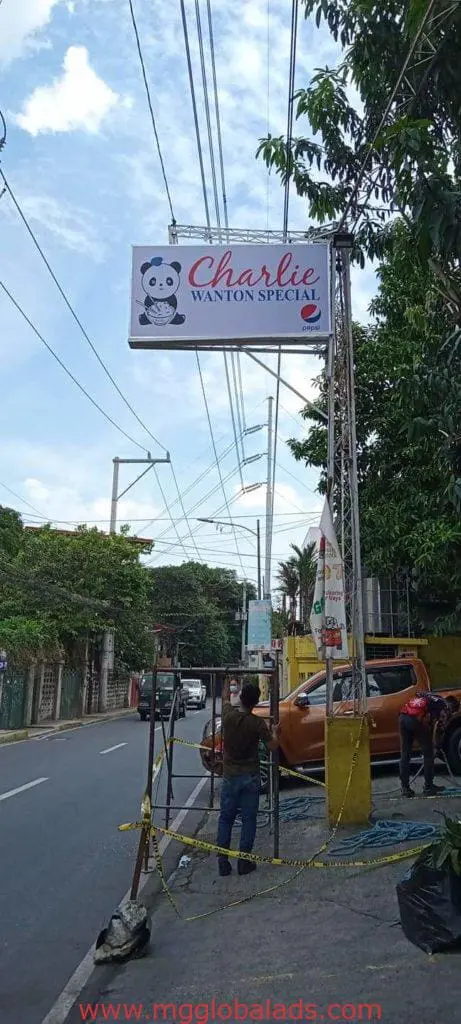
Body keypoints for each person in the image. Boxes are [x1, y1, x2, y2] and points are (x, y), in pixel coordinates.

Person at [216, 677, 281, 877]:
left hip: (230, 776)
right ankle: (244, 861)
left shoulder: (228, 716)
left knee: (226, 818)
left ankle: (223, 862)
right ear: (256, 702)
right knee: (249, 819)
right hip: (250, 776)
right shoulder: (257, 723)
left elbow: (224, 699)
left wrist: (226, 682)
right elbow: (273, 746)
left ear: (241, 697)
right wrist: (276, 732)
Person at [399, 691, 458, 797]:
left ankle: (405, 788)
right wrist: (436, 746)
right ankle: (428, 787)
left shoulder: (432, 696)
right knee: (428, 754)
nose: (451, 714)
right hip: (416, 719)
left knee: (405, 754)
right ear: (452, 706)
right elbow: (438, 728)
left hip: (403, 716)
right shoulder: (444, 707)